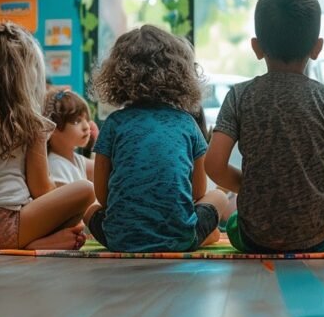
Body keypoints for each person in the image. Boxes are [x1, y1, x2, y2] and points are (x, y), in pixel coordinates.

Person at [206, 0, 324, 253]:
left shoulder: (239, 96)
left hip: (254, 238)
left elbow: (214, 165)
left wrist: (250, 185)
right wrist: (316, 183)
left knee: (232, 222)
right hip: (317, 237)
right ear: (317, 48)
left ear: (256, 47)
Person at [0, 23, 94, 250]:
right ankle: (34, 243)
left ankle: (28, 239)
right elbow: (41, 189)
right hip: (5, 227)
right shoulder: (32, 125)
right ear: (27, 79)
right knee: (85, 190)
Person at [84, 25, 229, 252]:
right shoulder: (186, 123)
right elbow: (198, 194)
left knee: (89, 211)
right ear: (180, 73)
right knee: (218, 197)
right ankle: (205, 235)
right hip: (180, 239)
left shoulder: (114, 123)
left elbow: (102, 197)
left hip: (119, 240)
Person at [43, 88, 95, 185]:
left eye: (86, 119)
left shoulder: (76, 159)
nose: (86, 127)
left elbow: (102, 167)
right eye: (77, 121)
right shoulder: (56, 165)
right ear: (53, 128)